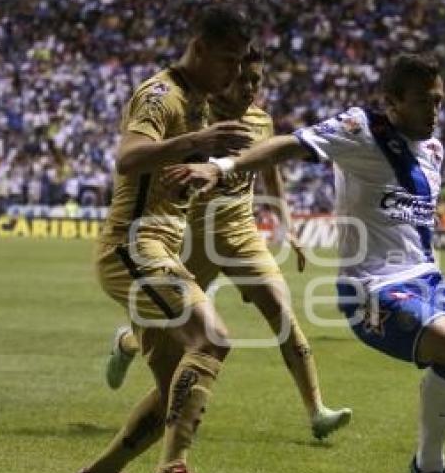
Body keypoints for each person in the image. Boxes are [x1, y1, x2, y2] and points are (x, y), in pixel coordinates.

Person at [163, 53, 445, 473]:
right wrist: (222, 167)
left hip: (428, 281)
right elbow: (287, 144)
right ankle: (429, 468)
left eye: (439, 102)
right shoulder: (359, 128)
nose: (435, 112)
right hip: (368, 287)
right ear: (391, 102)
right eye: (424, 102)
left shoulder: (433, 149)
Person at [104, 46, 352, 440]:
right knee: (178, 326)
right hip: (192, 240)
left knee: (282, 313)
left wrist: (287, 227)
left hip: (243, 236)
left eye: (256, 81)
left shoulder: (261, 122)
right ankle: (128, 341)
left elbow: (271, 174)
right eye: (242, 80)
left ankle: (317, 409)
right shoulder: (194, 119)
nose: (250, 88)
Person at [73, 6, 252, 473]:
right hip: (132, 246)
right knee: (212, 338)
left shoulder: (199, 100)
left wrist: (211, 167)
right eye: (228, 61)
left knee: (177, 385)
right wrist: (197, 143)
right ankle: (171, 472)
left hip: (159, 248)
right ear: (198, 50)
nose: (235, 73)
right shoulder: (160, 95)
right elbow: (128, 158)